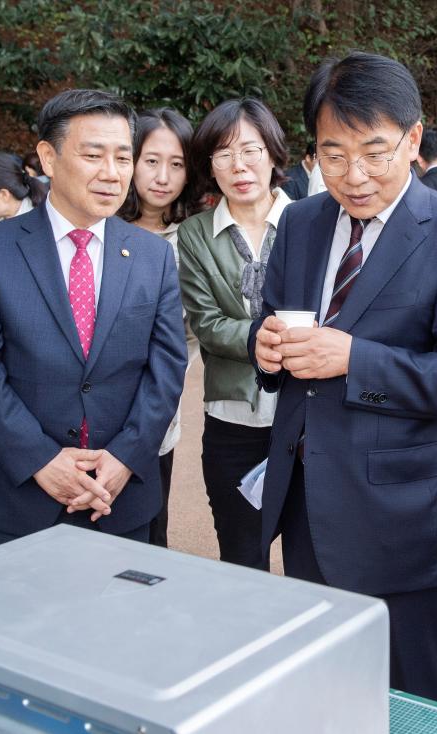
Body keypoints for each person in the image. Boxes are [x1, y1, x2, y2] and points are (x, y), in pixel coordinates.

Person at [250, 51, 437, 707]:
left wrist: (354, 358)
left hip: (406, 516)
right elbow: (271, 320)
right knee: (332, 691)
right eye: (332, 155)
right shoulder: (302, 222)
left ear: (415, 139)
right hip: (308, 501)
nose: (354, 175)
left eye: (374, 151)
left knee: (418, 699)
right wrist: (268, 346)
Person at [0, 89, 187, 545]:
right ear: (48, 157)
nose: (112, 174)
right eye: (93, 155)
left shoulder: (152, 255)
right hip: (19, 493)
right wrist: (40, 459)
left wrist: (125, 457)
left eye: (123, 158)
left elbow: (166, 369)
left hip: (119, 495)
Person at [176, 97, 291, 570]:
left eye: (250, 150)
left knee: (316, 549)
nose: (239, 166)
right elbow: (204, 320)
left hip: (305, 415)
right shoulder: (196, 233)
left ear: (272, 154)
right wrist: (256, 340)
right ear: (210, 167)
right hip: (233, 420)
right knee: (244, 553)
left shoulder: (312, 220)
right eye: (223, 155)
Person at [119, 107, 205, 548]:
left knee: (151, 532)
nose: (163, 177)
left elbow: (193, 334)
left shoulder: (194, 238)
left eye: (176, 164)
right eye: (151, 161)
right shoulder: (102, 231)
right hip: (94, 412)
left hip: (158, 414)